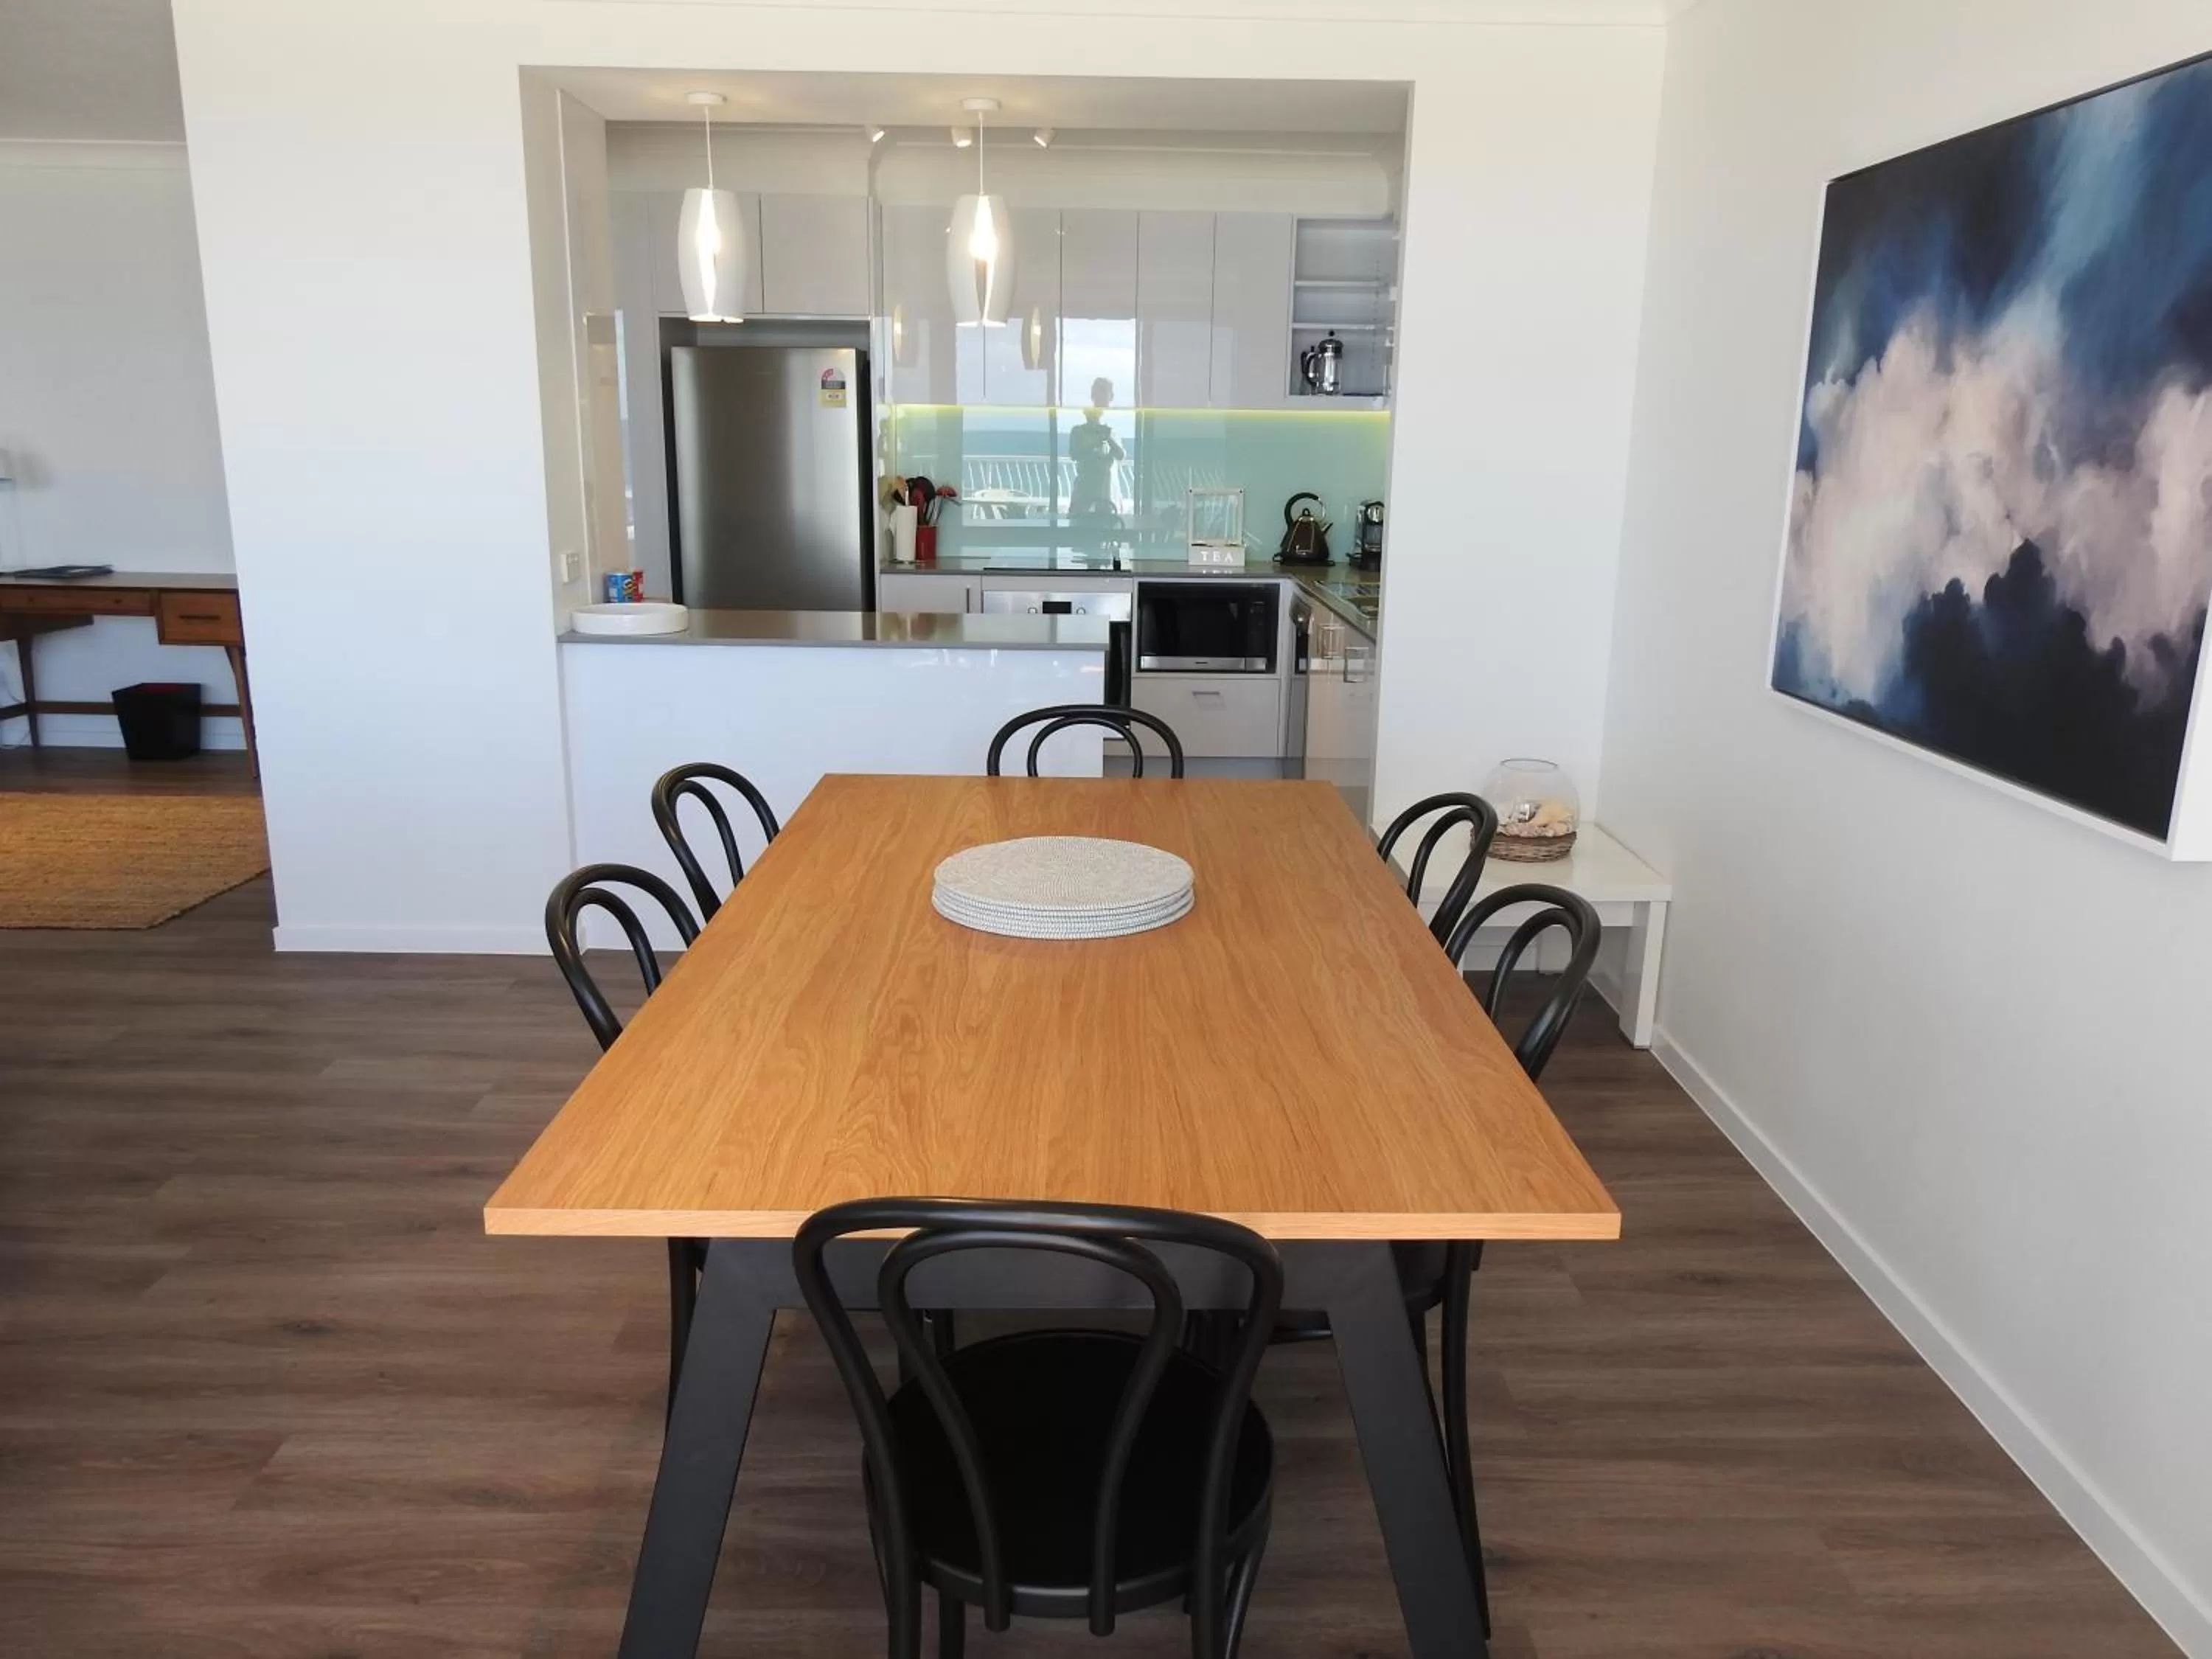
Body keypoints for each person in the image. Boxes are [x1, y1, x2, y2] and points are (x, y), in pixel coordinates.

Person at [1068, 378, 1124, 521]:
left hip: (1106, 491)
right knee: (1079, 529)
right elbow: (1074, 454)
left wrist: (1108, 438)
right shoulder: (1079, 430)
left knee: (1105, 530)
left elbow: (1120, 455)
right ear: (1093, 394)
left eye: (1105, 393)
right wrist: (1096, 441)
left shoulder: (1111, 429)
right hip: (1085, 488)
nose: (1102, 397)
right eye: (1099, 392)